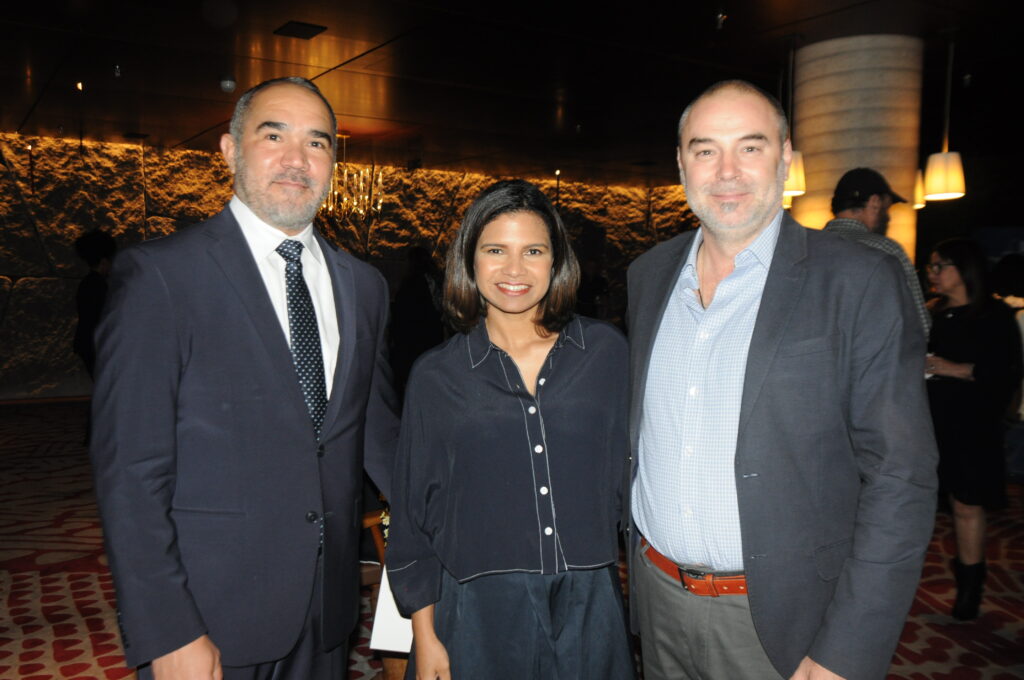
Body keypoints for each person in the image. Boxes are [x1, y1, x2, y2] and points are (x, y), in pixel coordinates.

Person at [90, 76, 399, 679]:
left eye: (317, 142)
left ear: (334, 161)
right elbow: (130, 471)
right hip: (210, 617)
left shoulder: (364, 286)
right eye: (273, 134)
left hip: (328, 609)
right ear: (230, 151)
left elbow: (380, 438)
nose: (296, 158)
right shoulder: (161, 276)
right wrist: (169, 629)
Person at [627, 80, 937, 680]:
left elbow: (901, 477)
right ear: (681, 164)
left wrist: (846, 651)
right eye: (705, 149)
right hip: (657, 599)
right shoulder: (649, 274)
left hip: (784, 622)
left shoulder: (859, 280)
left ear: (787, 157)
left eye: (750, 146)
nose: (727, 171)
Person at [387, 179, 634, 680]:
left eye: (533, 251)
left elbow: (632, 480)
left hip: (590, 602)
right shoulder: (437, 376)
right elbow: (414, 517)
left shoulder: (606, 353)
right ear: (470, 260)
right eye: (495, 249)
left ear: (556, 261)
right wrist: (425, 635)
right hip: (476, 609)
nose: (514, 270)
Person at [924, 238, 1022, 620]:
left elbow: (1005, 373)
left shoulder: (994, 315)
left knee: (966, 504)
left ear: (964, 269)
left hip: (971, 424)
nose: (932, 274)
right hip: (928, 421)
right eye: (931, 266)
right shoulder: (932, 312)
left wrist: (954, 368)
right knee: (919, 505)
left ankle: (969, 589)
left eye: (939, 266)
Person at [823, 167, 930, 334]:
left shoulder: (806, 249)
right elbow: (919, 324)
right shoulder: (885, 250)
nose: (887, 217)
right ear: (875, 203)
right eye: (886, 209)